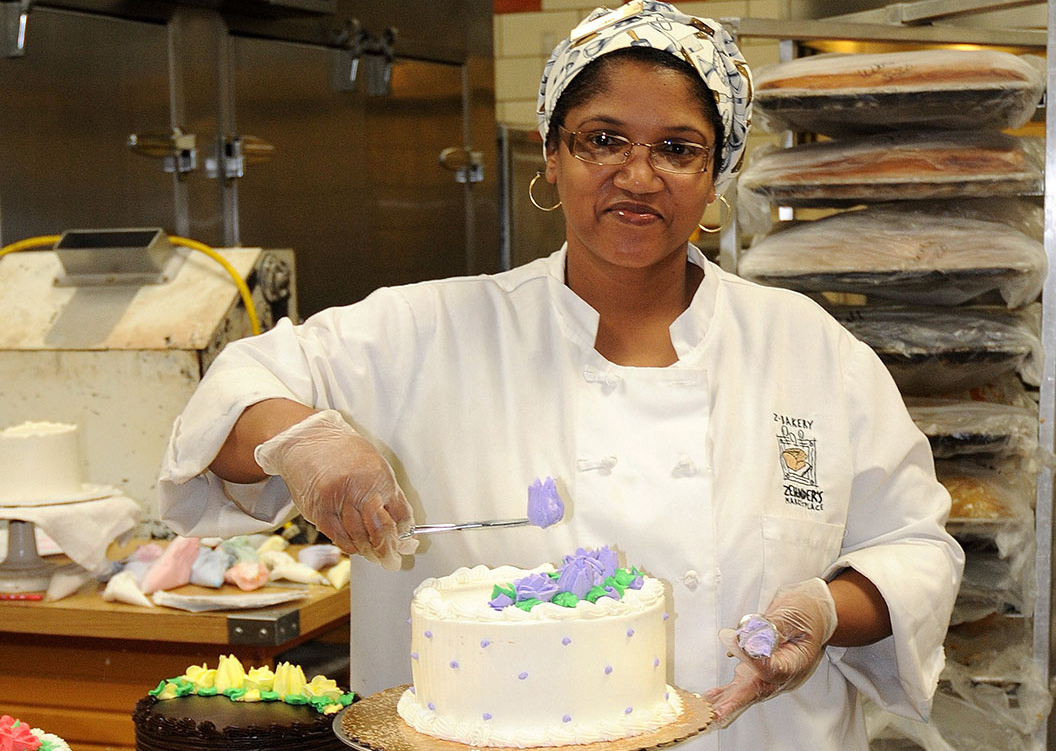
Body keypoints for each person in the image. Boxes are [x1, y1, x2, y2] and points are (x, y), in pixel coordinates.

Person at [158, 2, 963, 748]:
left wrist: (823, 611)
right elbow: (227, 403)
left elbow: (913, 546)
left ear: (715, 173)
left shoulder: (809, 349)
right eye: (602, 138)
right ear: (551, 152)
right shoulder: (428, 330)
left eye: (677, 148)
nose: (639, 175)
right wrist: (302, 439)